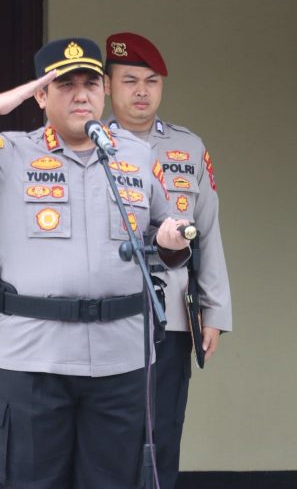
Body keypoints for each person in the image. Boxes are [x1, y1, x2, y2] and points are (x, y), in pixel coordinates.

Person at [0, 37, 191, 489]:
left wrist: (172, 241)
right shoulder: (7, 153)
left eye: (90, 84)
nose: (81, 95)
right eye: (65, 85)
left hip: (120, 363)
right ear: (40, 95)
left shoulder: (135, 156)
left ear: (103, 91)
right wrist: (0, 104)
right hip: (32, 361)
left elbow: (163, 238)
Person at [104, 32, 233, 489]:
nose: (142, 92)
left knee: (163, 432)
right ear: (107, 86)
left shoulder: (189, 147)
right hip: (107, 313)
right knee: (109, 435)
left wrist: (214, 312)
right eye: (130, 80)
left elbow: (209, 231)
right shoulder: (90, 144)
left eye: (152, 81)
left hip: (172, 314)